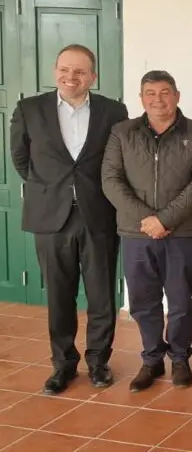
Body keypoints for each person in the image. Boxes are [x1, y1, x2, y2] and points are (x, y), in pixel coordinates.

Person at [9, 44, 129, 394]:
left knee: (101, 294)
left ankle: (98, 362)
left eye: (79, 71)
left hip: (98, 214)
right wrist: (52, 189)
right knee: (59, 296)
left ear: (93, 76)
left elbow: (119, 160)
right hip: (51, 217)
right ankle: (63, 365)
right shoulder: (29, 109)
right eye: (64, 69)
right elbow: (20, 158)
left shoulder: (113, 111)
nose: (70, 77)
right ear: (55, 71)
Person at [101, 70, 192, 392]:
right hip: (136, 233)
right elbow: (110, 180)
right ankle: (152, 359)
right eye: (150, 93)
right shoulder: (122, 132)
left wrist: (165, 220)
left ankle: (179, 358)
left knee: (179, 301)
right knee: (142, 300)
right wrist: (147, 219)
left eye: (165, 92)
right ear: (141, 99)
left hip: (181, 233)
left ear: (177, 96)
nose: (158, 99)